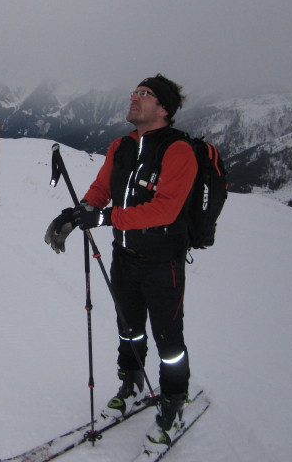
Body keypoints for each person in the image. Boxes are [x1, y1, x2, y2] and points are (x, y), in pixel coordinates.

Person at [44, 74, 197, 447]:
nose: (134, 97)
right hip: (124, 257)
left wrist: (106, 218)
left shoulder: (178, 150)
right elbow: (102, 189)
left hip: (163, 262)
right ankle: (130, 384)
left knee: (168, 340)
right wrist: (79, 212)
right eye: (134, 91)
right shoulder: (121, 146)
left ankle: (174, 402)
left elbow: (165, 210)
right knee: (129, 326)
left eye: (143, 94)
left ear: (163, 108)